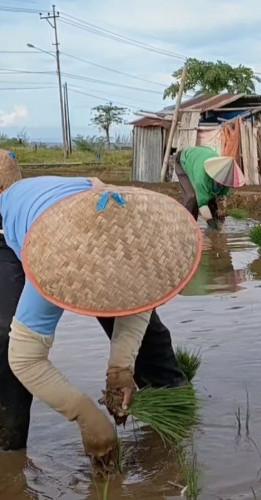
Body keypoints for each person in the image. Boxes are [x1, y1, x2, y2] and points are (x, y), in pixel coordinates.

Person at [0, 152, 202, 466]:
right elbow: (25, 358)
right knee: (5, 341)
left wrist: (120, 371)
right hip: (29, 234)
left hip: (86, 211)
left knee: (152, 337)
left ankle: (174, 419)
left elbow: (138, 302)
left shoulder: (133, 237)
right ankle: (9, 452)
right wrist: (85, 415)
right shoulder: (55, 261)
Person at [170, 146, 242, 230]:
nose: (222, 185)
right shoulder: (202, 178)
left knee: (212, 201)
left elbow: (221, 197)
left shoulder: (227, 178)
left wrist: (222, 211)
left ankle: (214, 229)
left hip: (202, 155)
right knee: (192, 197)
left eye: (223, 183)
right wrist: (211, 223)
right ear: (213, 175)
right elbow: (202, 204)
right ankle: (188, 227)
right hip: (184, 160)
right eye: (219, 182)